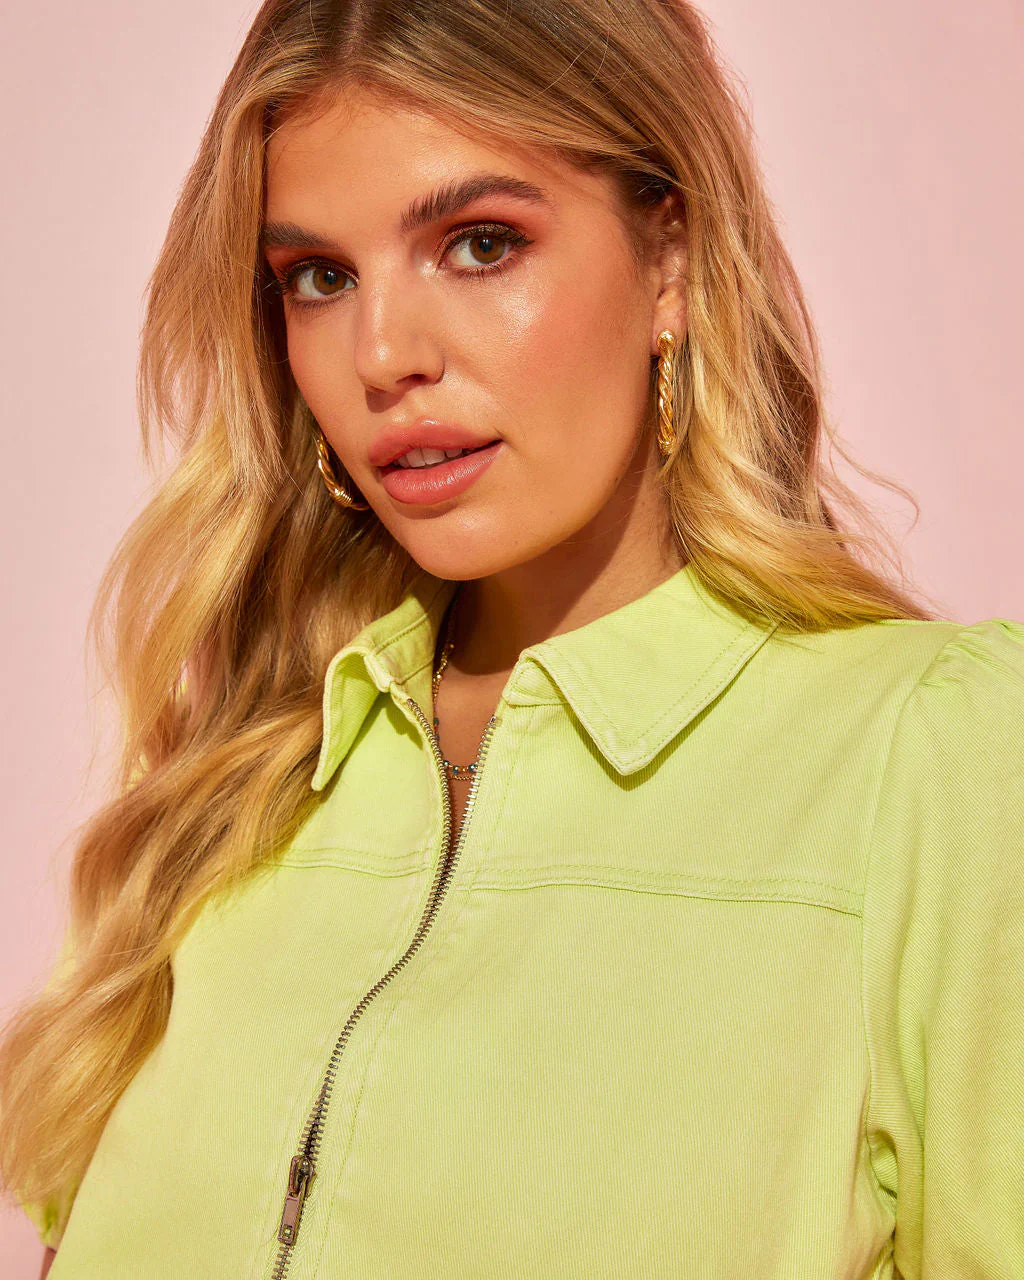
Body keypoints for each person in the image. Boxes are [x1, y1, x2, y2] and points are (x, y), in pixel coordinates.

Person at [3, 0, 1022, 1276]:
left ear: (671, 261)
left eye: (479, 244)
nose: (382, 355)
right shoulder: (235, 788)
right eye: (318, 277)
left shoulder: (929, 760)